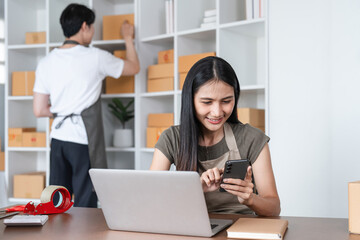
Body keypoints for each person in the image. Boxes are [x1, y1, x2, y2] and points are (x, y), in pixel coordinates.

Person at [33, 3, 140, 207]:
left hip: (57, 139)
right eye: (92, 26)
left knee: (55, 201)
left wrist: (61, 112)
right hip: (83, 139)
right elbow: (134, 67)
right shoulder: (96, 56)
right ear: (84, 26)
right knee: (85, 200)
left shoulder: (46, 62)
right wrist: (128, 38)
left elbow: (39, 110)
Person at [150, 56, 280, 216]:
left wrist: (250, 199)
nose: (217, 112)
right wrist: (195, 189)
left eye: (226, 101)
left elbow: (274, 207)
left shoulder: (252, 139)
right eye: (207, 102)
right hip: (192, 227)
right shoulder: (171, 139)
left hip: (242, 228)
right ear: (190, 101)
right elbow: (152, 200)